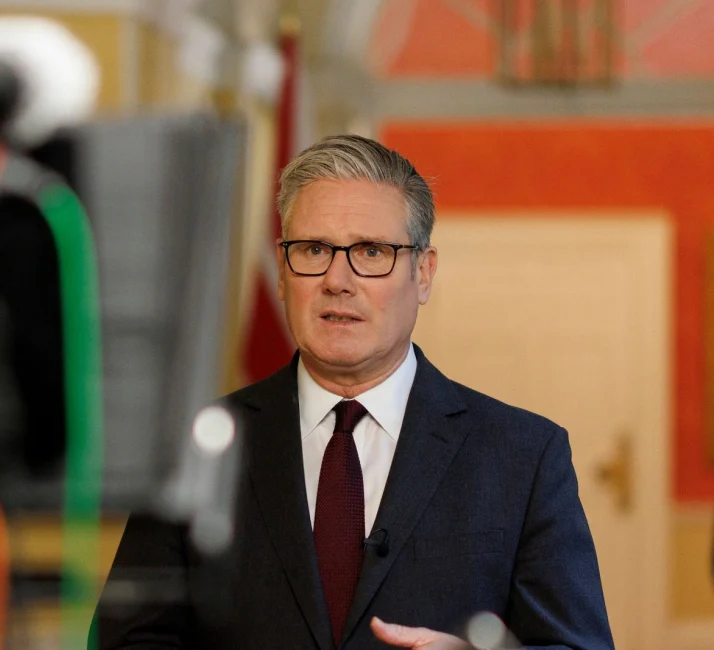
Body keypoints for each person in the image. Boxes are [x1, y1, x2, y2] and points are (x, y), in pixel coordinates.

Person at [94, 135, 614, 649]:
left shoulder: (524, 456)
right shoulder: (192, 447)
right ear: (282, 272)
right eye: (314, 249)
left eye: (371, 251)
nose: (338, 280)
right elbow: (131, 641)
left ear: (423, 273)